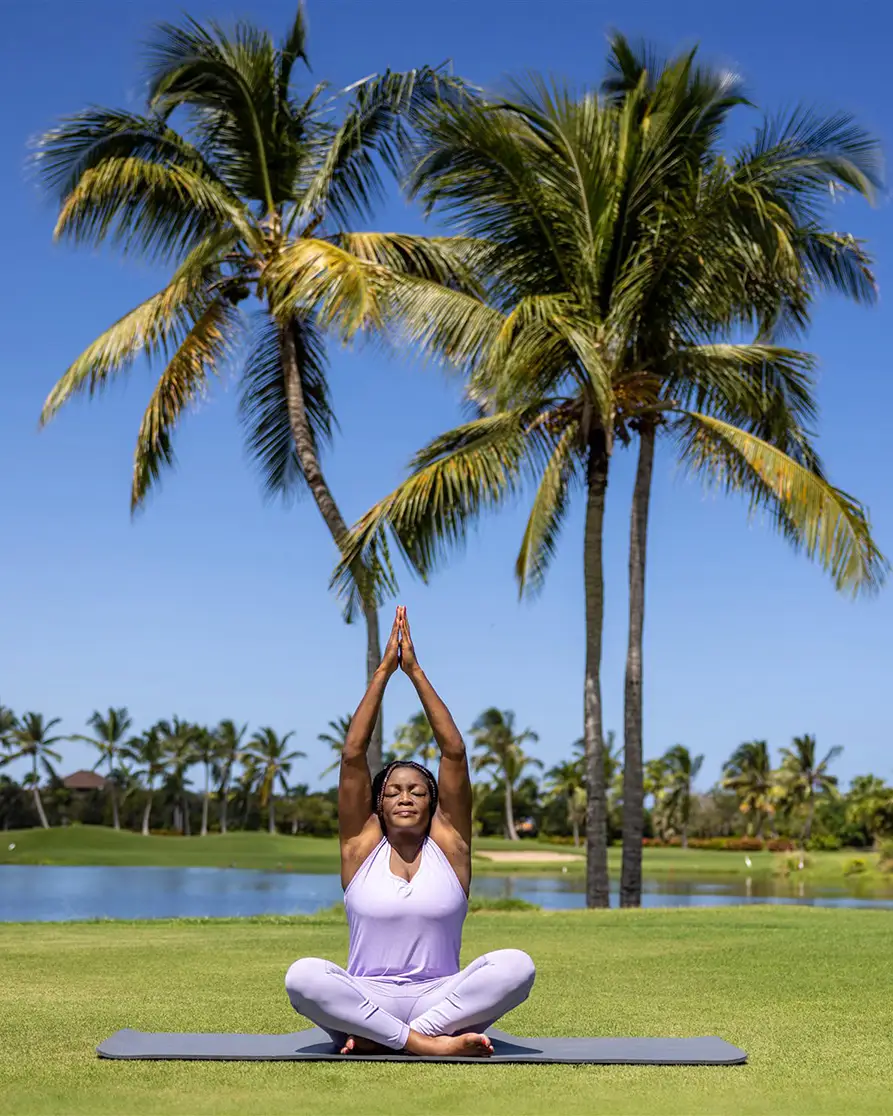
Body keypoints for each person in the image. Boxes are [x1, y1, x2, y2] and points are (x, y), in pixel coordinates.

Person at [285, 606, 535, 1057]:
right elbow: (353, 755)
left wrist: (415, 672)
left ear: (433, 804)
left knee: (518, 967)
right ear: (377, 803)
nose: (405, 797)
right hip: (367, 995)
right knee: (301, 977)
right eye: (394, 791)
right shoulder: (359, 849)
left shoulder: (450, 847)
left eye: (418, 792)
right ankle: (425, 1045)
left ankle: (389, 1038)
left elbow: (454, 752)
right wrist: (383, 672)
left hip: (441, 999)